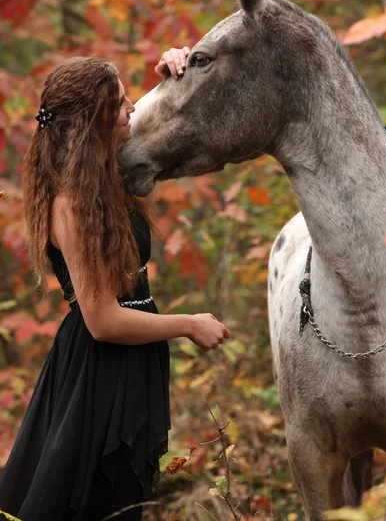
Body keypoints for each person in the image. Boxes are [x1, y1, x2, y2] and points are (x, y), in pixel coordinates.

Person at [0, 49, 231, 521]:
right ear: (94, 123)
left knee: (125, 501)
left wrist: (174, 73)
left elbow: (156, 119)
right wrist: (187, 324)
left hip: (129, 365)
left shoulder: (101, 173)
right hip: (99, 376)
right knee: (98, 503)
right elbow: (103, 321)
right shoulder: (71, 203)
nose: (133, 108)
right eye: (122, 102)